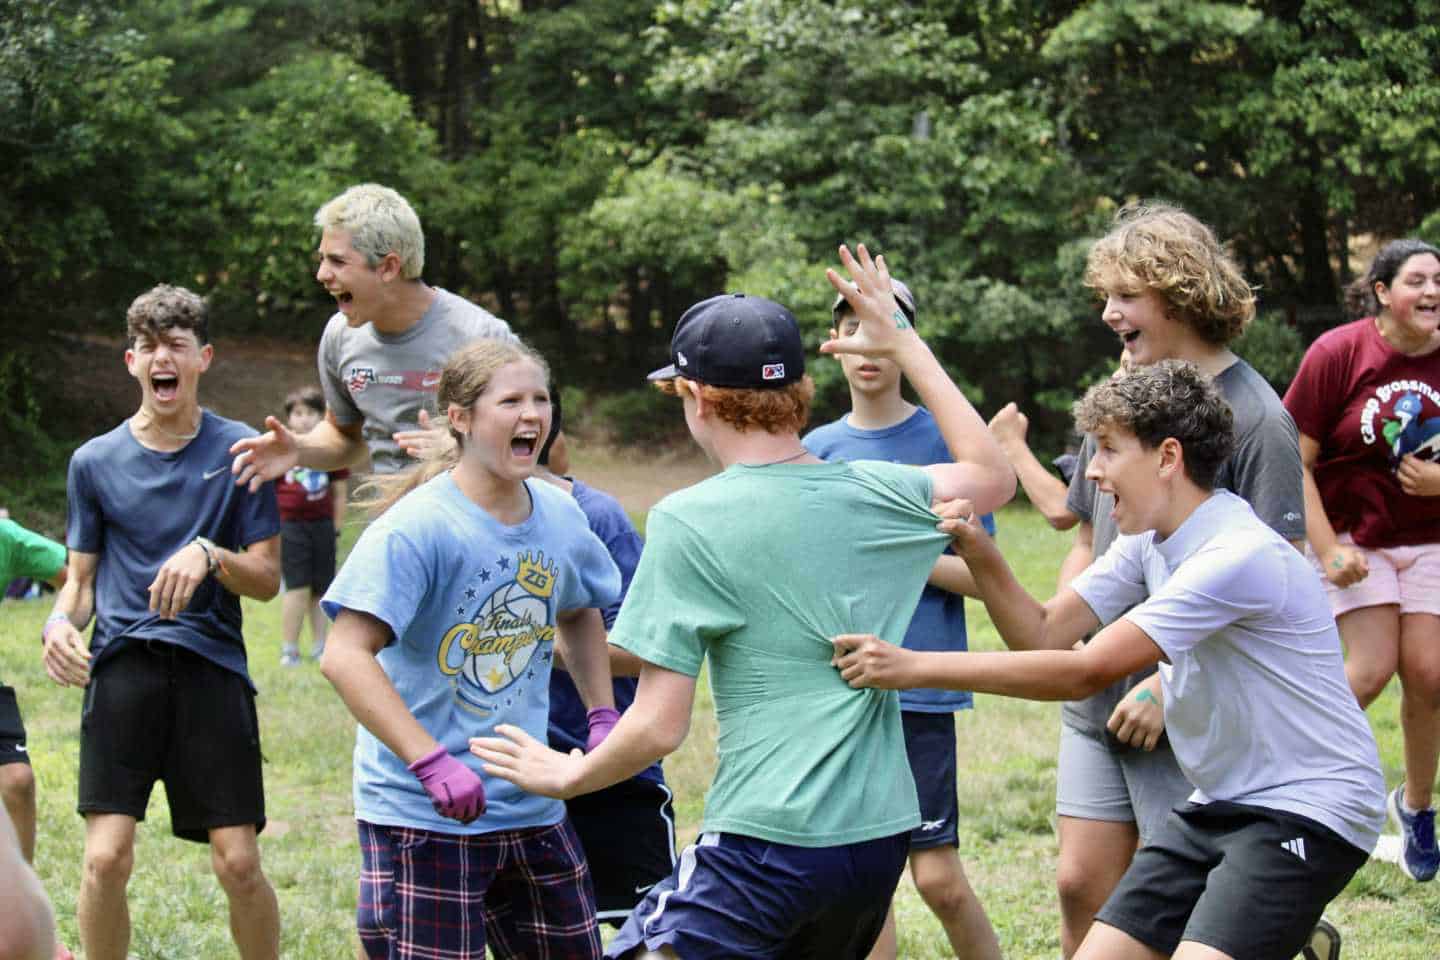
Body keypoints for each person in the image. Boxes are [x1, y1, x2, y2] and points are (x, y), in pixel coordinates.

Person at [472, 244, 1016, 960]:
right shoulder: (877, 487)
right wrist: (905, 341)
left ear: (696, 400)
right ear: (798, 393)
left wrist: (568, 773)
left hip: (766, 843)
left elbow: (661, 725)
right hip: (878, 839)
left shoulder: (690, 517)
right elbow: (992, 474)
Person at [834, 360, 1386, 960]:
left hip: (1306, 806)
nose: (1092, 473)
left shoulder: (1236, 555)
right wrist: (980, 551)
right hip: (1218, 801)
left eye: (1108, 451)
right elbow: (1045, 634)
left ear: (1168, 458)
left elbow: (1083, 671)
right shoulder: (1148, 542)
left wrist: (909, 667)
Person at [1052, 203, 1306, 957]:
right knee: (1078, 882)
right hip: (1097, 688)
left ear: (1177, 290)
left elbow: (1283, 573)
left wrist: (1163, 683)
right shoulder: (1117, 396)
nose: (1109, 313)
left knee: (1179, 912)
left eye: (1125, 294)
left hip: (1182, 705)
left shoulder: (1258, 418)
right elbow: (1088, 540)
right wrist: (1071, 621)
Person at [318, 338, 622, 960]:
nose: (532, 414)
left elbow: (580, 609)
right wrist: (429, 763)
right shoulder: (417, 528)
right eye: (511, 400)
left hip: (532, 806)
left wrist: (600, 712)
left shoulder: (562, 516)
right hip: (423, 817)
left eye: (540, 399)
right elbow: (345, 654)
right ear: (460, 418)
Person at [40, 285, 282, 960]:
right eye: (148, 346)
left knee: (238, 864)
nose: (161, 358)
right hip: (123, 668)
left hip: (211, 669)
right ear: (130, 361)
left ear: (203, 357)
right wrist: (58, 625)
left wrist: (210, 555)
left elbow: (266, 581)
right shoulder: (93, 462)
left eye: (176, 344)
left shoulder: (243, 452)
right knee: (105, 861)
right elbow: (79, 581)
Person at [802, 279, 1001, 960]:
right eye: (850, 328)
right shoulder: (817, 449)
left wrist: (897, 551)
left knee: (938, 878)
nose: (866, 345)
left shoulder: (944, 442)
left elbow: (986, 576)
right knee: (864, 885)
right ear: (833, 345)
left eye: (882, 328)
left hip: (919, 689)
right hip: (841, 691)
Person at [1283, 237, 1440, 883]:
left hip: (1432, 538)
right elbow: (1295, 458)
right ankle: (1292, 797)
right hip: (1355, 536)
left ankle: (1416, 808)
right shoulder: (1339, 352)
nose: (1433, 293)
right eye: (1417, 281)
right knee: (1369, 672)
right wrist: (1326, 548)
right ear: (1381, 292)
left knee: (1430, 676)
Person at [508, 394, 677, 929]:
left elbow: (642, 649)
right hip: (505, 771)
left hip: (606, 769)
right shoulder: (442, 515)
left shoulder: (595, 516)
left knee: (644, 933)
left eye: (532, 404)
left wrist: (520, 645)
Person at [229, 183, 515, 487]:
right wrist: (299, 448)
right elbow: (344, 436)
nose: (322, 275)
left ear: (389, 267)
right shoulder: (340, 335)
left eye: (337, 261)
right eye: (322, 259)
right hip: (393, 523)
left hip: (476, 523)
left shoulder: (481, 336)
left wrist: (465, 447)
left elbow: (541, 440)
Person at [0, 518, 66, 864]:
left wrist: (61, 624)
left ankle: (19, 897)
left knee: (18, 781)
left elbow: (75, 576)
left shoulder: (5, 539)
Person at [274, 386, 349, 665]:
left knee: (322, 588)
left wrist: (336, 528)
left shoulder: (329, 450)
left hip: (323, 527)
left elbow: (340, 492)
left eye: (311, 413)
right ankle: (289, 648)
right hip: (291, 527)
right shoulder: (280, 449)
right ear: (290, 418)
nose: (304, 419)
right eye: (298, 413)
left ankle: (320, 645)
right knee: (296, 587)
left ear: (322, 417)